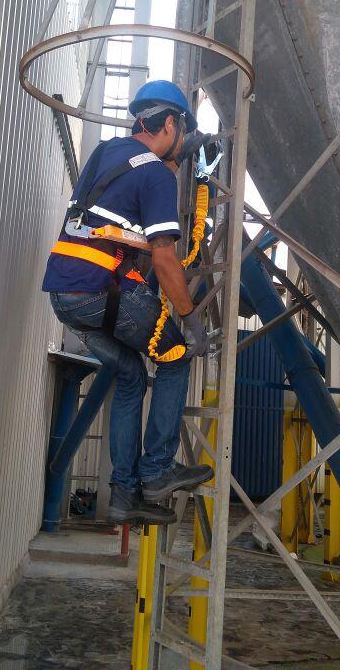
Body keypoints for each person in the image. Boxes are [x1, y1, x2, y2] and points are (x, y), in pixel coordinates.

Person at [42, 80, 213, 525]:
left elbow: (131, 188)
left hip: (64, 294)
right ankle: (156, 472)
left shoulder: (108, 152)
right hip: (101, 291)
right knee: (175, 357)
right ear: (171, 123)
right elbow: (163, 256)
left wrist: (174, 159)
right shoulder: (155, 174)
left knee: (132, 375)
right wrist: (190, 319)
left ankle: (123, 495)